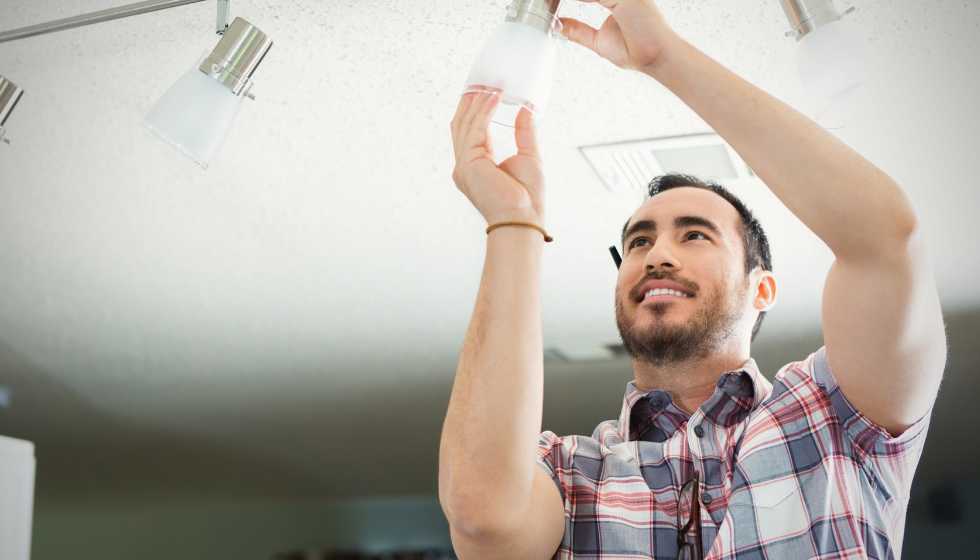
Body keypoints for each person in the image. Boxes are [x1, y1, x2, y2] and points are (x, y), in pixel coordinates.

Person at [438, 1, 947, 558]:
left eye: (695, 235)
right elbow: (482, 518)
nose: (656, 255)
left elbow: (885, 242)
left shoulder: (838, 416)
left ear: (762, 288)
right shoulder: (566, 476)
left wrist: (663, 58)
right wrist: (515, 222)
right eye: (638, 241)